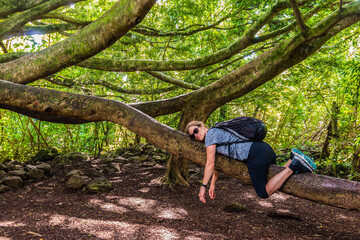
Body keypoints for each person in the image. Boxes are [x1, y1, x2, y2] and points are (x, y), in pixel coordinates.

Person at [185, 120, 316, 203]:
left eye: (195, 131)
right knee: (275, 178)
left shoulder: (210, 135)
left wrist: (203, 187)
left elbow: (210, 163)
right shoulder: (217, 131)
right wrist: (212, 183)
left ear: (202, 126)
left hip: (255, 154)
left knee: (264, 193)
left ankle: (294, 165)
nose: (195, 135)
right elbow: (217, 164)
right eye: (192, 136)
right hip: (263, 148)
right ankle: (292, 159)